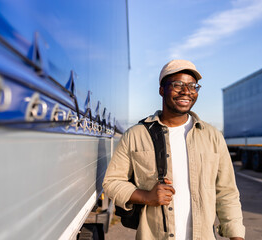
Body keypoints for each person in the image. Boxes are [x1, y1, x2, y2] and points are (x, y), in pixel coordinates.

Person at [102, 59, 245, 240]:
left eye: (193, 86)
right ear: (162, 90)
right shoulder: (136, 135)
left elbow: (227, 192)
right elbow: (112, 182)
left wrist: (236, 236)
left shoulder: (213, 136)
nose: (186, 91)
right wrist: (146, 196)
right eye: (178, 84)